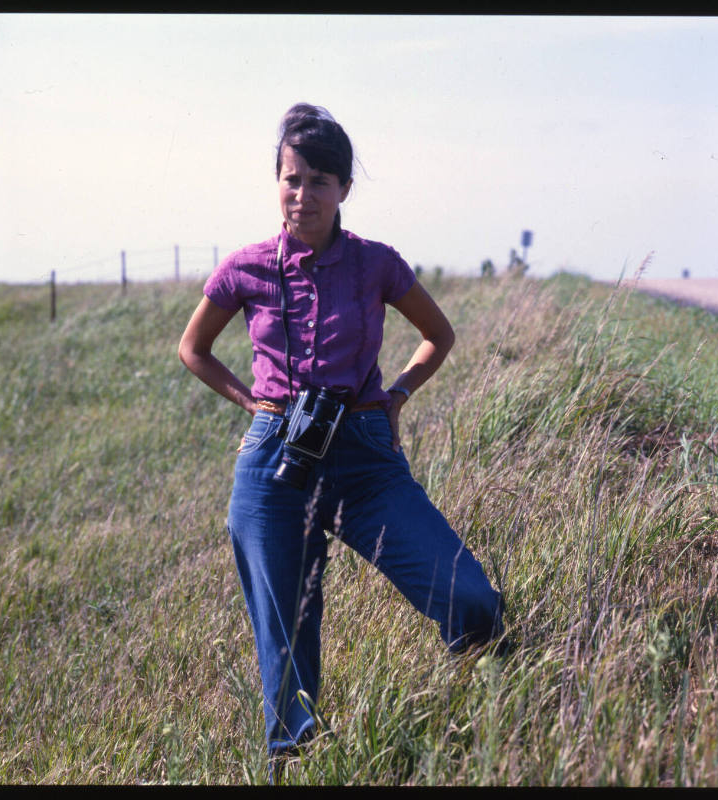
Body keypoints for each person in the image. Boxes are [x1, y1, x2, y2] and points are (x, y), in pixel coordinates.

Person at [178, 103, 506, 772]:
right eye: (291, 179)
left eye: (320, 181)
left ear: (344, 190)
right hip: (274, 460)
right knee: (286, 641)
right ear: (276, 182)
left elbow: (437, 336)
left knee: (469, 598)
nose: (303, 195)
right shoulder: (244, 268)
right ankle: (296, 764)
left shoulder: (376, 264)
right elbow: (194, 349)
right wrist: (252, 403)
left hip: (363, 457)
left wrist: (397, 397)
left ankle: (491, 719)